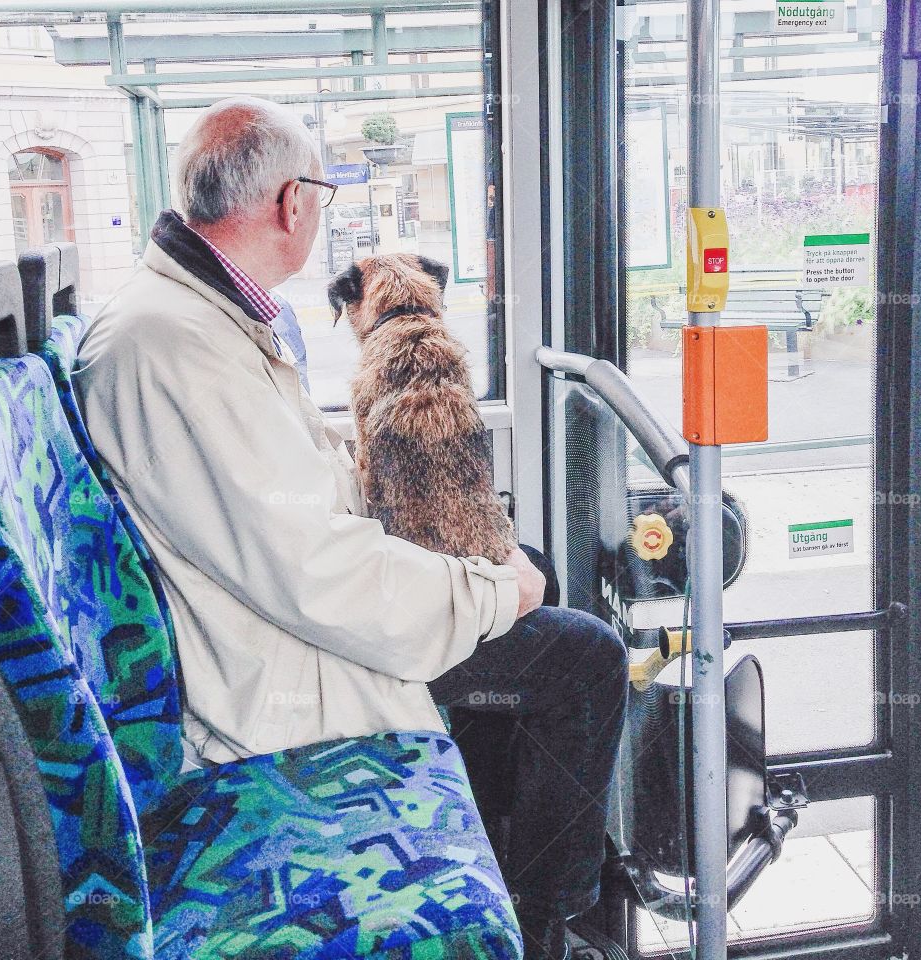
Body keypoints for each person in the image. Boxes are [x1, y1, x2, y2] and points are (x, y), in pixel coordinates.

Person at [72, 96, 628, 960]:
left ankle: (516, 870)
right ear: (292, 203)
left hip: (273, 615)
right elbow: (312, 570)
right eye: (321, 195)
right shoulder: (171, 345)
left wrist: (489, 573)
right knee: (585, 658)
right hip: (279, 675)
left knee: (535, 576)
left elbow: (302, 482)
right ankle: (549, 925)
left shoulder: (200, 314)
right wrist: (489, 588)